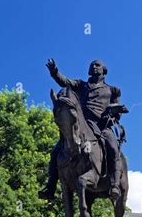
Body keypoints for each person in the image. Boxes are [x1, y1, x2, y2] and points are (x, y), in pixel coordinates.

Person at [39, 58, 128, 201]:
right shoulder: (81, 85)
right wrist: (54, 72)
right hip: (82, 125)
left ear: (104, 70)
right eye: (92, 65)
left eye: (97, 65)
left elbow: (116, 113)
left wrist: (115, 112)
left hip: (101, 126)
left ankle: (115, 184)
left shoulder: (112, 90)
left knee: (113, 147)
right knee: (56, 150)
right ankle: (50, 186)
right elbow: (65, 82)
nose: (94, 67)